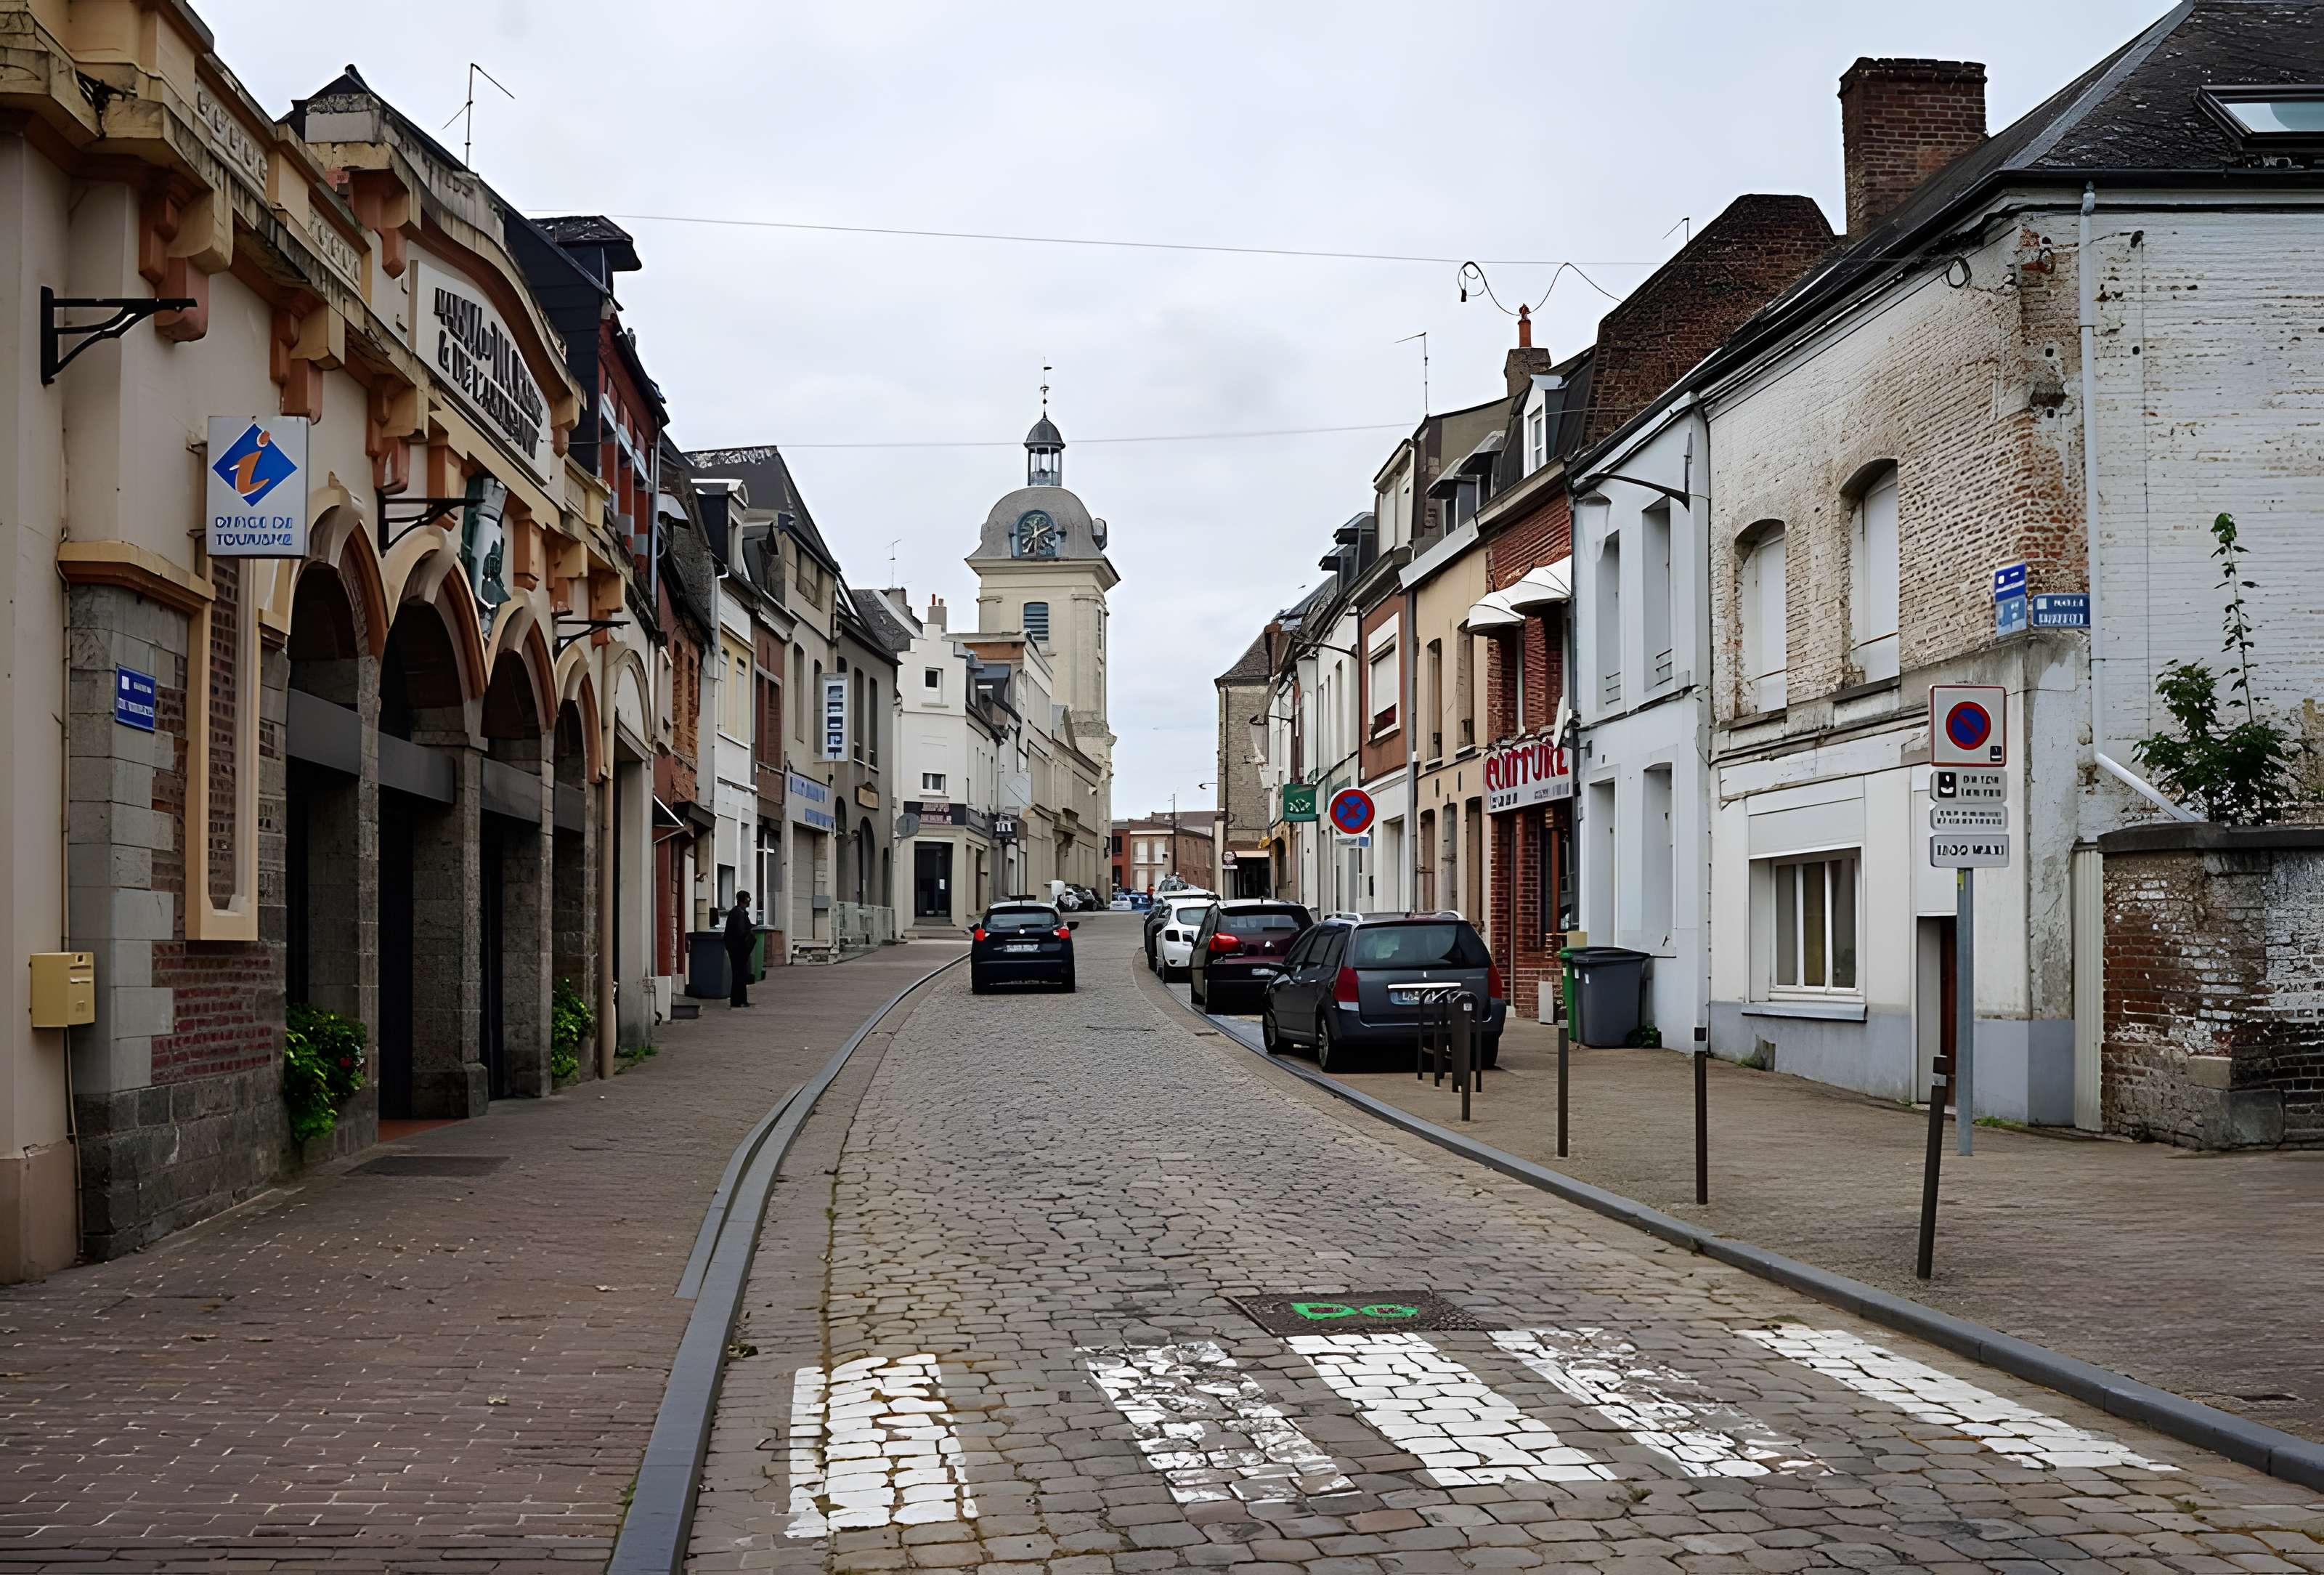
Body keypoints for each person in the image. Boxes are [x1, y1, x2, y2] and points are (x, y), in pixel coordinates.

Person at [724, 892, 756, 1008]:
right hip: (738, 950)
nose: (750, 901)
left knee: (740, 974)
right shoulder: (738, 913)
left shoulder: (738, 912)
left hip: (737, 949)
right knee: (740, 974)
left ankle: (739, 1000)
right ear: (745, 900)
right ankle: (739, 1000)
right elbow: (741, 932)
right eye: (748, 899)